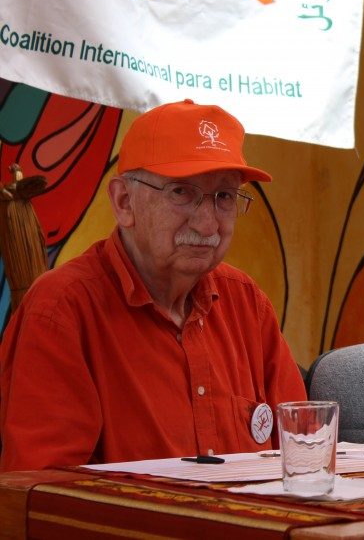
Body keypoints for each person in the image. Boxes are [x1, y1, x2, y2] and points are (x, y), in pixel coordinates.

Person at [0, 99, 305, 470]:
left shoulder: (246, 303)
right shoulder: (62, 310)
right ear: (124, 202)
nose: (208, 224)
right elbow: (45, 489)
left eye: (224, 196)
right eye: (181, 192)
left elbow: (305, 451)